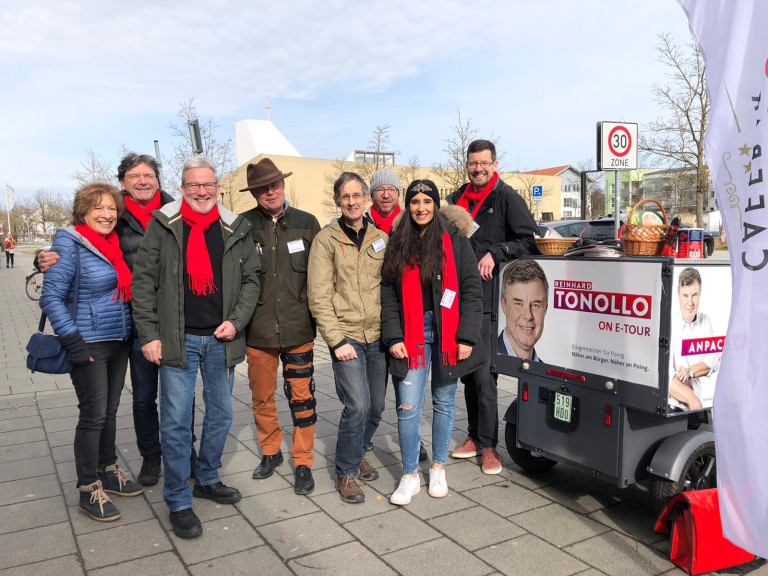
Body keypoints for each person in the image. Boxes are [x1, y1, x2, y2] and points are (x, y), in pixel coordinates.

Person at [37, 153, 187, 487]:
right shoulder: (110, 223)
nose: (142, 180)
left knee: (175, 396)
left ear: (158, 180)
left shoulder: (177, 213)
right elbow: (72, 250)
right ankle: (146, 458)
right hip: (123, 328)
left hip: (161, 323)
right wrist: (43, 257)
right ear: (123, 183)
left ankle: (178, 454)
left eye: (149, 174)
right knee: (135, 399)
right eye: (134, 176)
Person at [132, 157, 261, 539]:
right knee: (175, 423)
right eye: (193, 186)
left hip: (222, 340)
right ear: (183, 187)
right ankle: (177, 499)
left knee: (221, 416)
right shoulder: (164, 224)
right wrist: (150, 335)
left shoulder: (235, 225)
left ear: (217, 187)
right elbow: (143, 283)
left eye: (207, 185)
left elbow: (252, 279)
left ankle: (206, 476)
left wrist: (236, 320)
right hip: (178, 340)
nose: (201, 192)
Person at [40, 182, 141, 522]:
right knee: (93, 414)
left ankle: (109, 470)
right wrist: (73, 342)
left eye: (112, 208)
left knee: (110, 410)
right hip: (88, 341)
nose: (107, 214)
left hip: (119, 337)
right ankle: (88, 489)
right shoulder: (69, 244)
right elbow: (50, 298)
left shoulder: (113, 244)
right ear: (83, 211)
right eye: (98, 208)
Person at [381, 180, 484, 505]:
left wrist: (466, 336)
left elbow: (470, 289)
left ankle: (438, 467)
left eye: (427, 201)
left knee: (443, 402)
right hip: (412, 333)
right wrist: (393, 335)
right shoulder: (399, 241)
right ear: (408, 206)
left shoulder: (455, 241)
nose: (421, 207)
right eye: (415, 202)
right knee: (408, 406)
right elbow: (387, 293)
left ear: (435, 204)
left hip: (448, 333)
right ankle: (410, 474)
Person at [447, 139, 538, 474]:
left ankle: (490, 447)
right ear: (467, 165)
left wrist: (496, 252)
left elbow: (530, 239)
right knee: (467, 375)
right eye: (473, 163)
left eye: (484, 163)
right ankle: (473, 435)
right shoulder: (457, 200)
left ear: (494, 164)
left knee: (485, 376)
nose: (478, 169)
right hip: (457, 301)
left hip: (488, 301)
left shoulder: (506, 198)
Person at [239, 158, 321, 495]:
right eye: (261, 188)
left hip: (298, 328)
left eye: (274, 185)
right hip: (258, 331)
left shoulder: (307, 223)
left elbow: (320, 276)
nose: (269, 192)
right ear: (255, 193)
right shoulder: (243, 225)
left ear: (283, 185)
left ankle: (302, 460)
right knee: (262, 396)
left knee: (302, 399)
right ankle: (270, 452)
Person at [308, 172, 387, 504]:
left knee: (378, 406)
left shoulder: (381, 237)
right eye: (345, 196)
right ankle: (347, 471)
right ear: (337, 200)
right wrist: (336, 340)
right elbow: (319, 295)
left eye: (357, 195)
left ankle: (358, 450)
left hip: (379, 335)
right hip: (348, 336)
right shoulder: (326, 240)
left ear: (366, 198)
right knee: (357, 405)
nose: (352, 202)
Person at [363, 168, 428, 462]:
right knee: (372, 397)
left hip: (408, 317)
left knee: (408, 388)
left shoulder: (412, 222)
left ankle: (412, 440)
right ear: (372, 195)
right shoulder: (361, 223)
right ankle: (363, 440)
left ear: (398, 193)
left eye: (391, 189)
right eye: (380, 189)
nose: (386, 194)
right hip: (370, 317)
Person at [669, 267, 719, 411]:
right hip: (677, 407)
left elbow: (713, 361)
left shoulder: (705, 321)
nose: (690, 303)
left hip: (701, 405)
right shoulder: (669, 324)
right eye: (685, 295)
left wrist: (690, 371)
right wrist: (691, 398)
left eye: (694, 295)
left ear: (700, 294)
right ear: (678, 294)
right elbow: (666, 377)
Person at [498, 259, 548, 361]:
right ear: (504, 305)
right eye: (519, 304)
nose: (528, 315)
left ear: (546, 307)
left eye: (535, 305)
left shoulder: (547, 373)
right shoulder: (484, 363)